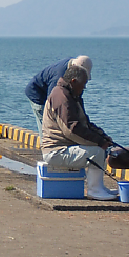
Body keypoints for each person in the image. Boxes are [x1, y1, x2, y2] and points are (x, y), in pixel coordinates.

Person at [40, 65, 119, 201]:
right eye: (83, 84)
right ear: (74, 81)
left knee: (98, 150)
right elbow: (72, 130)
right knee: (97, 152)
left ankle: (99, 187)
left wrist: (102, 135)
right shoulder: (62, 97)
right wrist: (99, 142)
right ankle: (95, 190)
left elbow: (84, 124)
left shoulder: (70, 95)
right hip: (55, 151)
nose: (84, 88)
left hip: (62, 148)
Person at [25, 55, 92, 133]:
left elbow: (77, 98)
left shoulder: (72, 65)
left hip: (48, 90)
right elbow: (51, 102)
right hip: (37, 94)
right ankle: (45, 144)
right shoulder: (58, 77)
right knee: (48, 126)